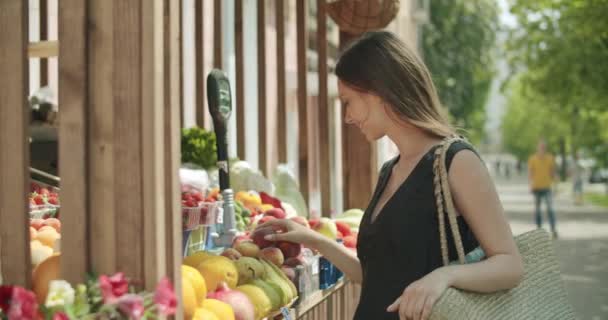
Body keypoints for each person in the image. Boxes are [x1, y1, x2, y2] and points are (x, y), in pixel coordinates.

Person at [253, 31, 523, 320]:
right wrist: (311, 238)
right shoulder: (389, 171)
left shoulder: (456, 162)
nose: (347, 116)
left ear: (378, 93)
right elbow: (375, 277)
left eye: (348, 100)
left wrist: (444, 277)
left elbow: (510, 265)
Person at [527, 140, 558, 238]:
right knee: (538, 210)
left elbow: (552, 172)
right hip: (536, 188)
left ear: (546, 148)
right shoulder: (532, 159)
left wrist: (556, 185)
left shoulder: (550, 158)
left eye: (544, 147)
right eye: (541, 147)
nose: (542, 149)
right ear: (537, 148)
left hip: (547, 187)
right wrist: (530, 185)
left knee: (550, 209)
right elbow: (530, 174)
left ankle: (553, 229)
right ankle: (539, 231)